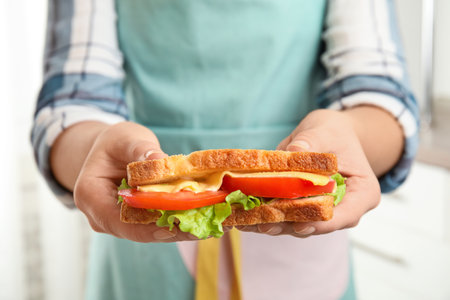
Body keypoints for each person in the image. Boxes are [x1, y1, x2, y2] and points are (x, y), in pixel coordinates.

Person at [31, 0, 419, 299]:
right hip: (143, 249)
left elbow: (378, 91)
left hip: (305, 254)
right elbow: (72, 103)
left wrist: (348, 133)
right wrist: (96, 152)